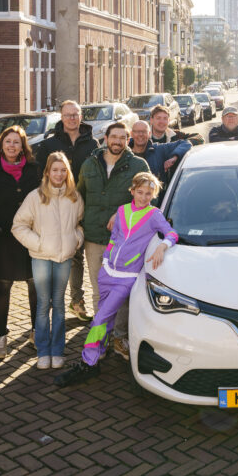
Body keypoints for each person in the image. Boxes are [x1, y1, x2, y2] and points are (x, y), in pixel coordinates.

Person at [56, 172, 178, 386]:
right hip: (107, 273)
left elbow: (172, 234)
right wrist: (106, 260)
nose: (143, 197)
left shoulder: (154, 215)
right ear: (132, 191)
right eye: (140, 192)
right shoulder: (122, 211)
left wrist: (162, 246)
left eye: (148, 194)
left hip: (127, 278)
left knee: (100, 318)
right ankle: (101, 350)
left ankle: (88, 363)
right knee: (106, 318)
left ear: (153, 195)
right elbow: (114, 238)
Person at [77, 122, 148, 360]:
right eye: (113, 137)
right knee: (100, 291)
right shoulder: (89, 164)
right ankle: (101, 337)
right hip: (95, 237)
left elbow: (147, 201)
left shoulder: (138, 165)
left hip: (125, 241)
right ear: (105, 138)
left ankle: (120, 336)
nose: (117, 141)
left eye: (122, 137)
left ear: (128, 140)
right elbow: (80, 196)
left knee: (124, 291)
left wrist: (121, 212)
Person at [0, 125, 41, 359]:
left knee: (36, 287)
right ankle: (1, 337)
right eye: (8, 142)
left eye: (17, 142)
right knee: (2, 288)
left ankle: (36, 332)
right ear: (1, 145)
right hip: (2, 239)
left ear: (23, 146)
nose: (12, 146)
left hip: (32, 237)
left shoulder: (35, 170)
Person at [12, 152, 84, 370]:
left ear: (67, 173)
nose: (59, 174)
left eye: (63, 170)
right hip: (41, 258)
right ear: (47, 172)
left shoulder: (75, 197)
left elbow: (79, 224)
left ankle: (57, 350)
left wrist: (76, 240)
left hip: (64, 259)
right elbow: (18, 226)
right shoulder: (35, 197)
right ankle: (42, 350)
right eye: (55, 170)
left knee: (60, 304)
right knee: (43, 305)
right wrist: (39, 244)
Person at [33, 101, 97, 324]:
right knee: (64, 257)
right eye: (68, 115)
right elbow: (38, 175)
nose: (72, 118)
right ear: (62, 117)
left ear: (81, 116)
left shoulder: (93, 144)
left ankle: (77, 300)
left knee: (80, 253)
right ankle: (61, 301)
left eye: (75, 114)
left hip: (86, 206)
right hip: (57, 209)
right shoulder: (49, 144)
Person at [128, 120, 191, 188]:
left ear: (149, 134)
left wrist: (174, 157)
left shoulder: (158, 149)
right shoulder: (124, 154)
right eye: (137, 131)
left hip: (156, 196)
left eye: (144, 131)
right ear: (131, 134)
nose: (140, 134)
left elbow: (185, 143)